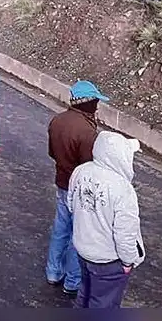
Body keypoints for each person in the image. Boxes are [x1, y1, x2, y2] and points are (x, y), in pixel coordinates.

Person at [67, 131, 145, 309]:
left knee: (84, 296)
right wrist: (127, 262)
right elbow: (125, 233)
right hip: (108, 260)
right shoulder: (123, 188)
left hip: (83, 250)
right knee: (103, 305)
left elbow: (71, 205)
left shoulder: (80, 171)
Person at [45, 80, 106, 298]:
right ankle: (72, 281)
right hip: (79, 189)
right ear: (88, 103)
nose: (98, 106)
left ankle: (53, 272)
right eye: (96, 101)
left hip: (61, 182)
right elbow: (90, 165)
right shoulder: (87, 132)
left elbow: (52, 152)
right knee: (77, 234)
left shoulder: (57, 120)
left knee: (60, 228)